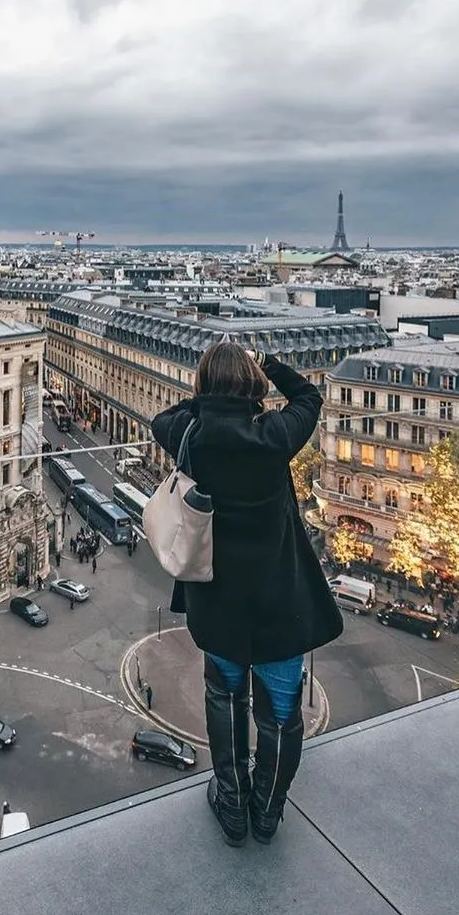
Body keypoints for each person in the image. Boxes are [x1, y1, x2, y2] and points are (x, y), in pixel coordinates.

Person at [151, 339, 343, 848]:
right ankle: (266, 810)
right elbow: (308, 398)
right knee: (281, 714)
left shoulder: (190, 434)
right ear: (253, 385)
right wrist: (270, 365)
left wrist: (207, 399)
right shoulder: (275, 434)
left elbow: (163, 418)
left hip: (217, 601)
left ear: (208, 388)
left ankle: (232, 805)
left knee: (225, 697)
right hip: (279, 602)